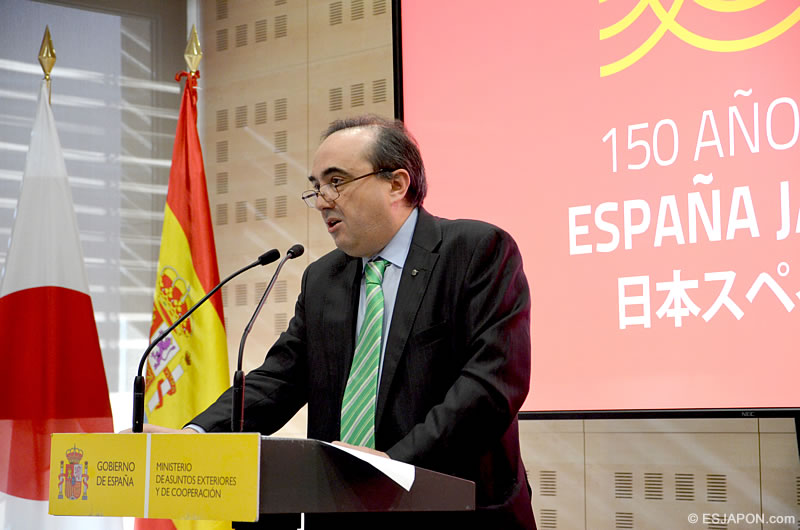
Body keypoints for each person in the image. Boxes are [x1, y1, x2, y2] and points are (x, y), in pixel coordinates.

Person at [174, 115, 535, 528]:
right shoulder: (322, 278)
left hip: (456, 508)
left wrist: (392, 466)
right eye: (316, 187)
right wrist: (197, 437)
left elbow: (490, 387)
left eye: (337, 182)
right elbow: (278, 379)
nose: (322, 200)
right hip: (345, 508)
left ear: (397, 184)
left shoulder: (475, 252)